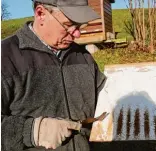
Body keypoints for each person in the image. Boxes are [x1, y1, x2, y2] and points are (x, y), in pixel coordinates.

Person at [1, 0, 106, 150]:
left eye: (79, 26)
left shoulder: (83, 56)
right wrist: (33, 131)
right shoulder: (5, 57)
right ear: (41, 14)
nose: (77, 33)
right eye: (68, 25)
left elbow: (106, 100)